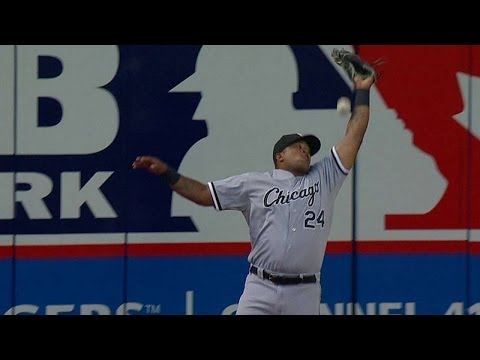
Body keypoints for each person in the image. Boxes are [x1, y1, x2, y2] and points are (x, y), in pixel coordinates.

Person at [132, 72, 375, 315]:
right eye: (298, 147)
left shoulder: (324, 177)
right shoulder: (255, 183)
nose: (305, 151)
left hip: (304, 291)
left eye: (308, 150)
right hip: (261, 287)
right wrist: (167, 172)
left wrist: (362, 90)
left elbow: (354, 135)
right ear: (279, 156)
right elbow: (204, 194)